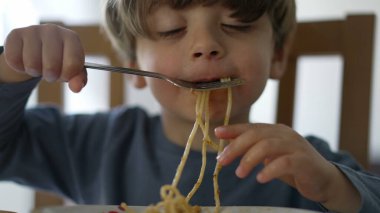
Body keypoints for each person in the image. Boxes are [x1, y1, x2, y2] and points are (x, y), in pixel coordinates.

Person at [0, 0, 379, 212]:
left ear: (277, 54)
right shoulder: (95, 145)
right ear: (133, 61)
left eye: (236, 24)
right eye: (170, 29)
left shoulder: (301, 164)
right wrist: (9, 69)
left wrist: (337, 187)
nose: (205, 45)